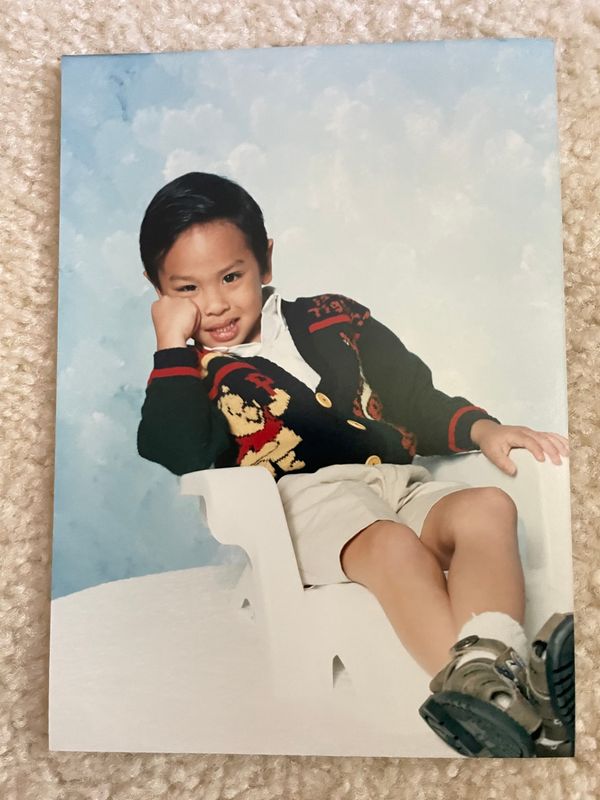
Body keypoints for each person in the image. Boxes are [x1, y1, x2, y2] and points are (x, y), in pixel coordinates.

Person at [137, 171, 575, 757]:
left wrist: (482, 428)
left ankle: (498, 681)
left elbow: (414, 397)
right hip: (303, 501)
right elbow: (178, 450)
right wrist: (171, 344)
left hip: (397, 482)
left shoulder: (334, 318)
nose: (214, 304)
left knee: (487, 507)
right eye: (187, 289)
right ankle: (497, 705)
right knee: (392, 544)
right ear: (160, 292)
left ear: (264, 262)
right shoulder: (193, 373)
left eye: (231, 277)